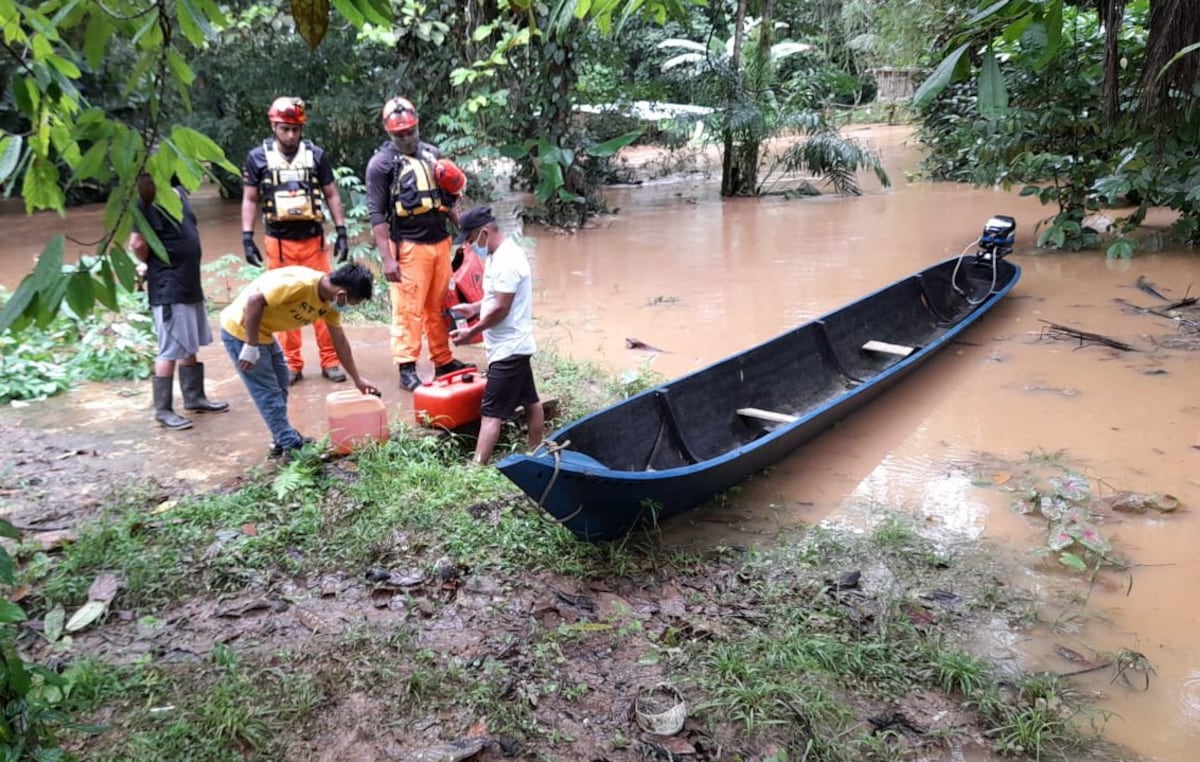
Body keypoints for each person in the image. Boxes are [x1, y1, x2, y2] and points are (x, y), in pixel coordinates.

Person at [365, 96, 473, 392]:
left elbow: (448, 197)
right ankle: (406, 367)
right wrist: (387, 259)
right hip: (409, 247)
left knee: (439, 307)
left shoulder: (432, 154)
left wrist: (463, 230)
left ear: (417, 126)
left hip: (440, 241)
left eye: (410, 132)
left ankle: (443, 360)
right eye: (400, 135)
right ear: (390, 133)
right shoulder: (381, 165)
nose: (407, 139)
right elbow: (377, 214)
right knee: (408, 309)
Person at [241, 96, 350, 386]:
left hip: (314, 240)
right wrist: (247, 236)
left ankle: (330, 359)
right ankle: (292, 362)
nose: (290, 135)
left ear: (301, 128)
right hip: (278, 242)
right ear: (273, 126)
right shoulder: (258, 158)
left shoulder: (316, 155)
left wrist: (341, 231)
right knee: (281, 301)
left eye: (295, 129)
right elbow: (250, 198)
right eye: (284, 129)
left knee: (325, 297)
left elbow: (331, 194)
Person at [219, 263, 379, 458]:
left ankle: (280, 437)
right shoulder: (299, 284)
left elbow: (340, 341)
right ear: (342, 294)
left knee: (281, 383)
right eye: (352, 303)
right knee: (267, 393)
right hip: (241, 332)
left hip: (265, 333)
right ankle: (291, 445)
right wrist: (251, 345)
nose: (348, 308)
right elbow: (254, 300)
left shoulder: (330, 303)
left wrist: (357, 379)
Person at [128, 172, 229, 430]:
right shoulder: (146, 201)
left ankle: (194, 397)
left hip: (188, 282)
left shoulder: (179, 193)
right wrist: (153, 264)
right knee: (170, 347)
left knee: (189, 342)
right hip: (168, 285)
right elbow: (137, 243)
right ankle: (163, 410)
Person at [448, 206, 543, 465]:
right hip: (514, 344)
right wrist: (473, 308)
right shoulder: (496, 255)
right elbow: (495, 299)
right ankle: (536, 452)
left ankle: (476, 468)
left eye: (469, 239)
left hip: (508, 348)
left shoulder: (508, 261)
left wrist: (471, 332)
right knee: (531, 400)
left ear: (484, 233)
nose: (468, 246)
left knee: (490, 413)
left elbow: (502, 308)